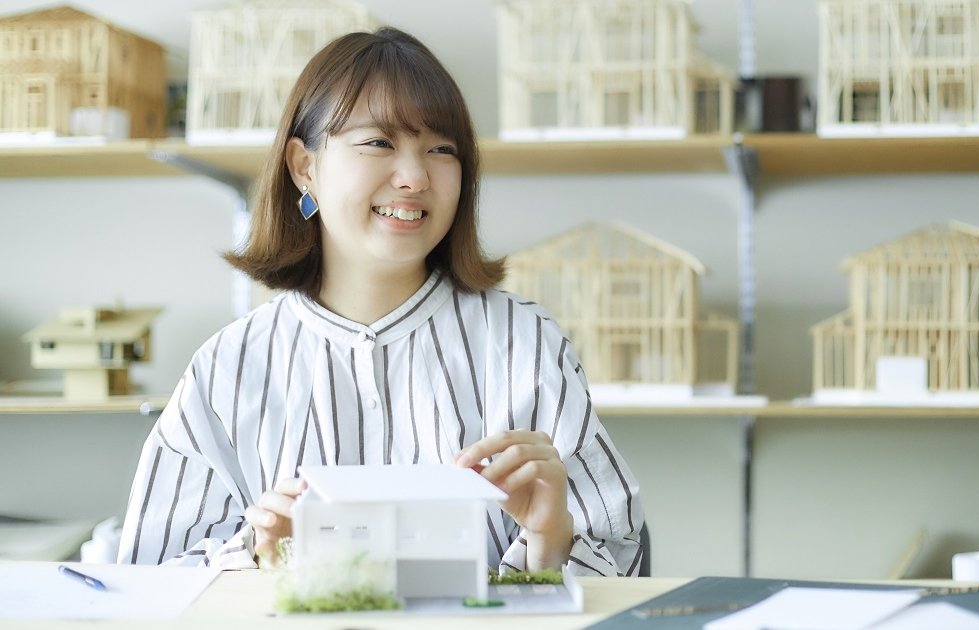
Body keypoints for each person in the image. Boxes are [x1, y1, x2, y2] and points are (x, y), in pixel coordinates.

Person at [116, 27, 644, 578]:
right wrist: (256, 559)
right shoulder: (228, 366)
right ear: (305, 167)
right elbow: (149, 580)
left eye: (442, 149)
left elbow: (621, 557)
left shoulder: (526, 343)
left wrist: (548, 543)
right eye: (379, 143)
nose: (415, 177)